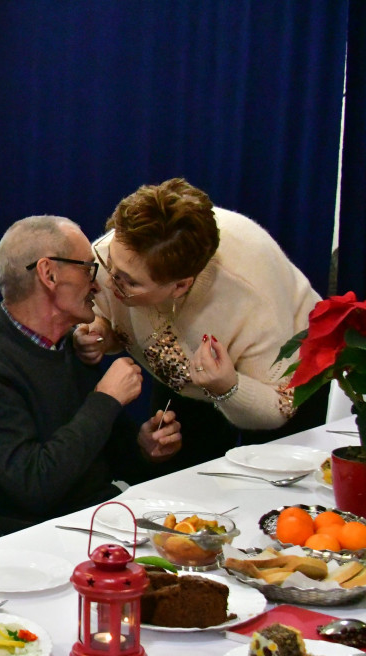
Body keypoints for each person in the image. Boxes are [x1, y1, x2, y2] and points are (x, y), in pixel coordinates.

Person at [0, 216, 181, 546]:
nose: (98, 285)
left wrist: (145, 448)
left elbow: (108, 460)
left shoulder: (70, 344)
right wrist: (105, 400)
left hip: (96, 522)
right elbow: (32, 487)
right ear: (49, 274)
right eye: (88, 269)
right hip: (26, 543)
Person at [75, 178, 325, 470]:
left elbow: (278, 409)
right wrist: (101, 331)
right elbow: (103, 310)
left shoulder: (252, 299)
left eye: (129, 281)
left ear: (180, 286)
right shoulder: (117, 253)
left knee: (273, 485)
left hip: (281, 375)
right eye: (110, 265)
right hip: (190, 369)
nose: (110, 279)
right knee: (176, 471)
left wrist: (227, 388)